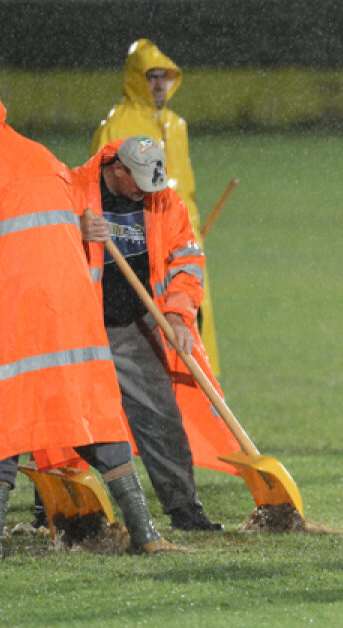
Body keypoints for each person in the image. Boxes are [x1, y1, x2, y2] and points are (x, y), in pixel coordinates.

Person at [0, 81, 182, 561]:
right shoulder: (42, 155)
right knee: (93, 414)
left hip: (9, 314)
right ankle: (146, 533)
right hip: (72, 313)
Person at [38, 135, 236, 532]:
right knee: (67, 420)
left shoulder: (163, 198)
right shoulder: (71, 191)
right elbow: (35, 246)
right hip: (77, 328)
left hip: (135, 326)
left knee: (160, 416)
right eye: (138, 181)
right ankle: (58, 511)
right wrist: (72, 230)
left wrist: (179, 314)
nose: (147, 191)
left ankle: (184, 510)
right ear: (117, 168)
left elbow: (188, 259)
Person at [92, 38, 221, 373]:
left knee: (192, 323)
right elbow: (102, 193)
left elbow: (184, 192)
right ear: (136, 79)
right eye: (151, 76)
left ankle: (193, 404)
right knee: (151, 344)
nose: (159, 84)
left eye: (164, 76)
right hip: (140, 250)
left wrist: (190, 231)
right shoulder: (115, 127)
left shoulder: (177, 126)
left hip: (183, 242)